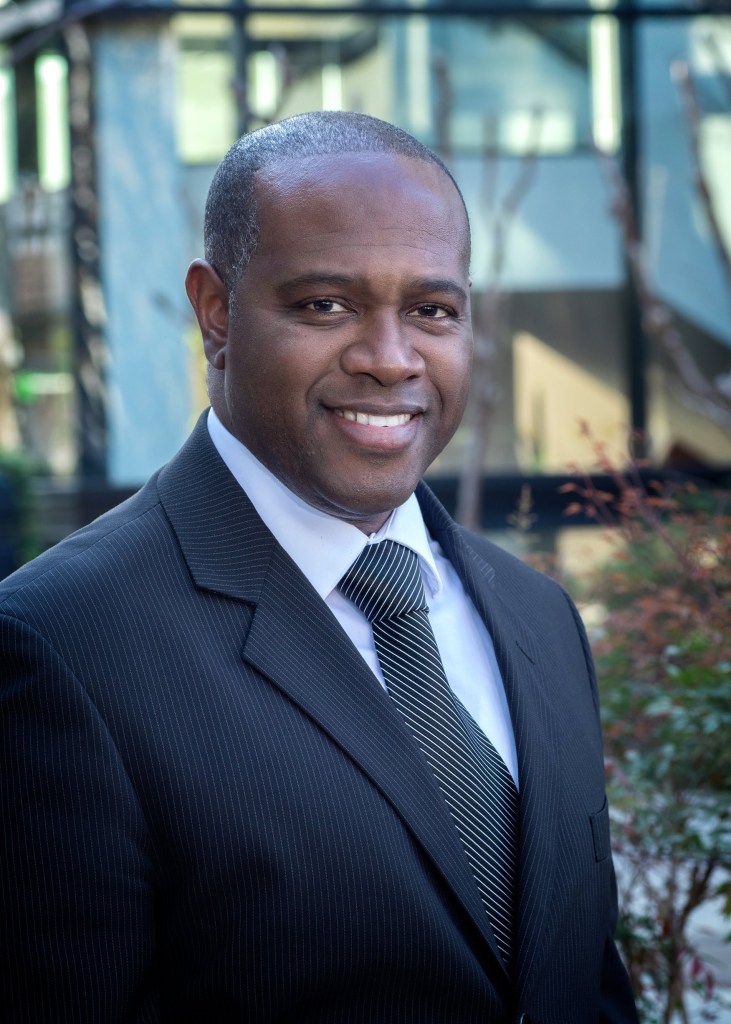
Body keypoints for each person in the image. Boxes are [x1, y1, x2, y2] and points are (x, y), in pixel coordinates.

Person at [0, 111, 638, 1023]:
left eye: (431, 310)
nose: (390, 359)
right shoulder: (60, 645)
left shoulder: (540, 616)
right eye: (324, 306)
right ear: (215, 312)